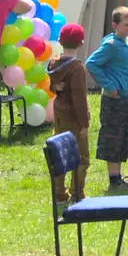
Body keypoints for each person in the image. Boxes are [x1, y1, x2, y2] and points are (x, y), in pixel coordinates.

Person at [85, 7, 128, 190]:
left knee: (124, 137)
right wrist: (110, 87)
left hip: (127, 100)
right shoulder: (110, 46)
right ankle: (113, 180)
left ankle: (119, 177)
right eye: (127, 25)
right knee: (112, 138)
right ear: (115, 25)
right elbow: (91, 64)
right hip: (114, 101)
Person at [46, 23, 91, 203]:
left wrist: (54, 86)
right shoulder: (77, 67)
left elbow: (53, 85)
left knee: (59, 152)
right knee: (81, 157)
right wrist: (84, 124)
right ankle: (77, 193)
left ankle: (59, 193)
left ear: (59, 41)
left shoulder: (53, 63)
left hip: (59, 115)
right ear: (80, 44)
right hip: (74, 118)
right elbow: (79, 97)